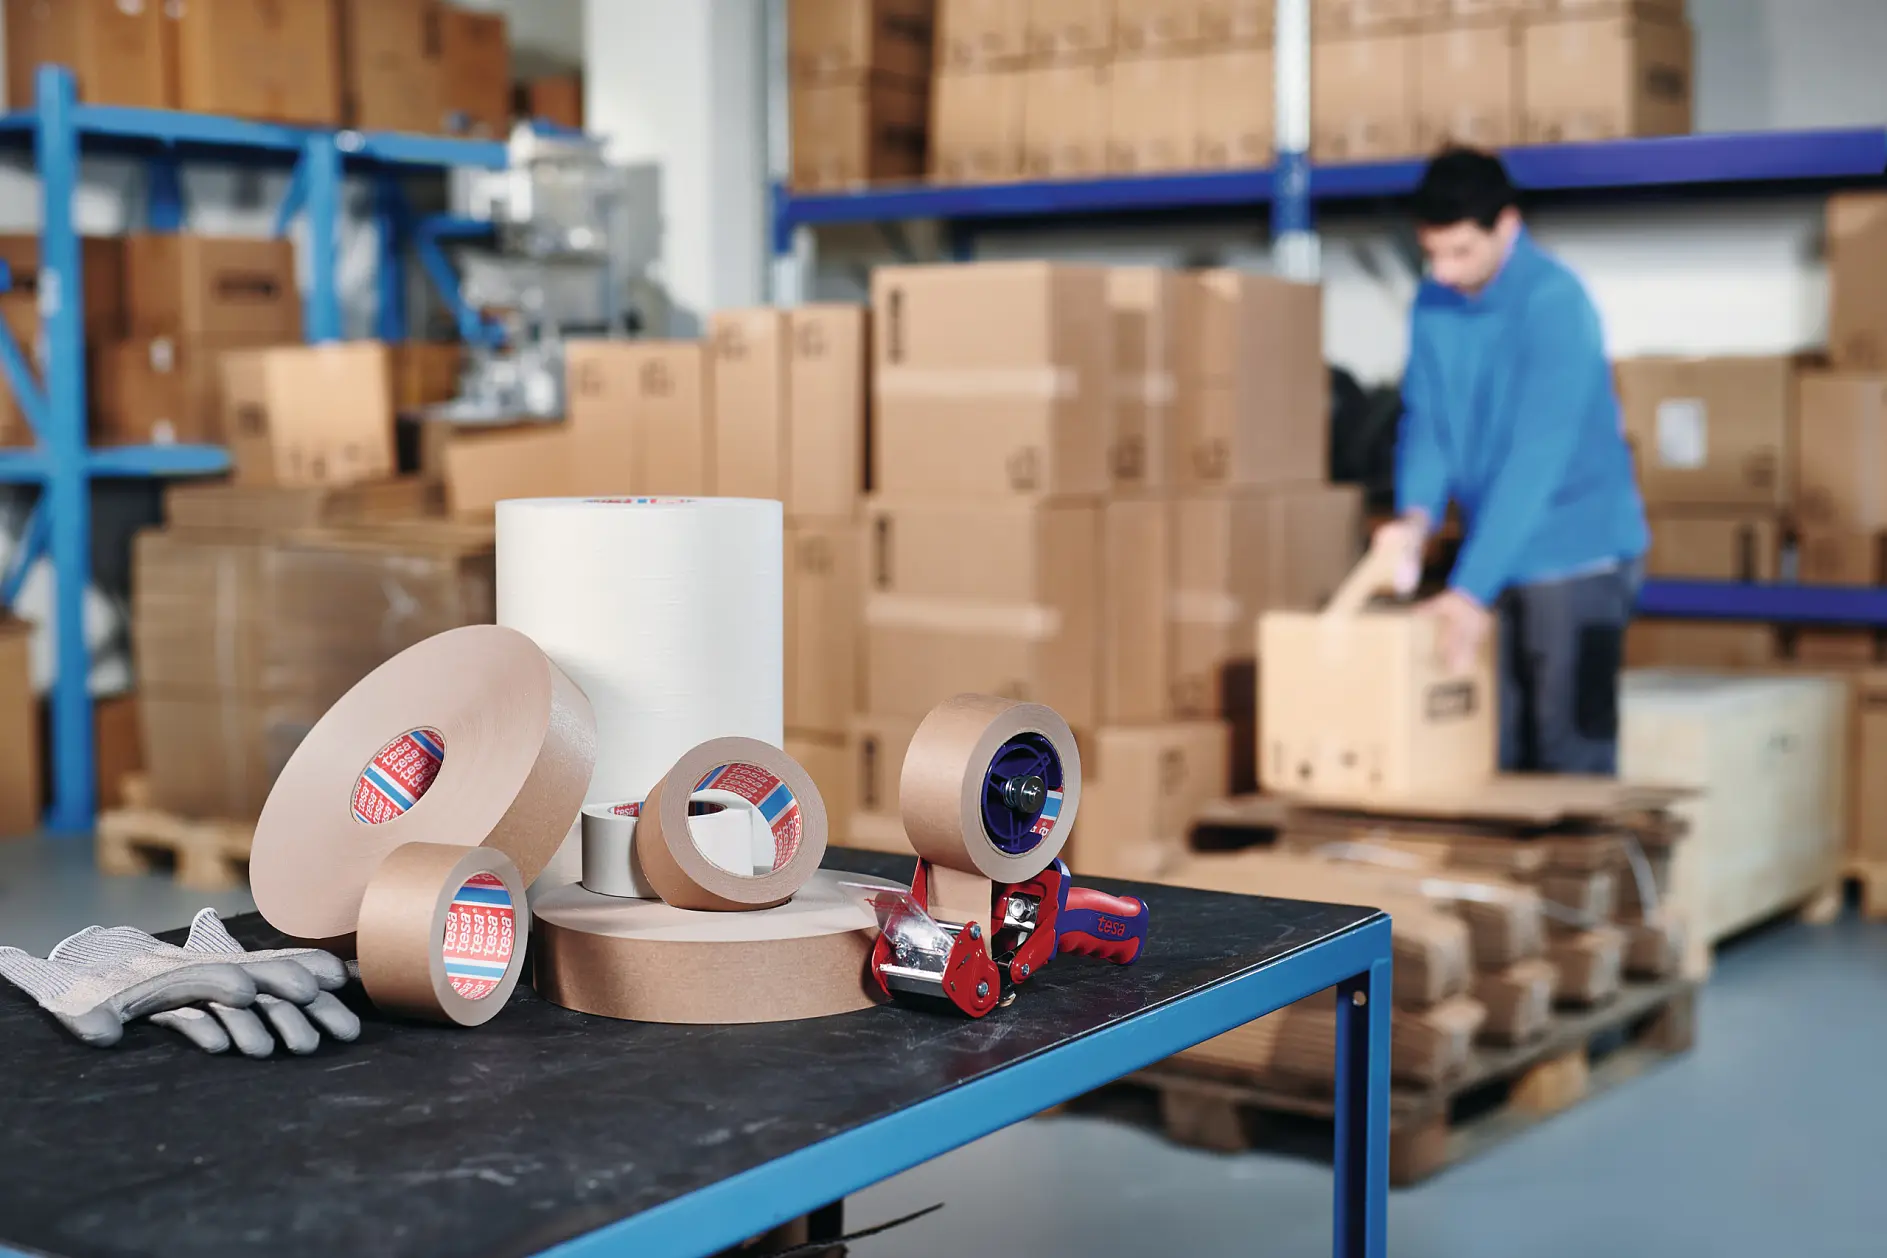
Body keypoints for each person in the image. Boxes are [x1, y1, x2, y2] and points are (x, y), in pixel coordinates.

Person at [1371, 146, 1648, 775]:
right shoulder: (1434, 302)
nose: (1442, 270)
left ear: (1508, 226)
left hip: (1580, 560)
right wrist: (1415, 516)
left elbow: (1536, 460)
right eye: (1431, 252)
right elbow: (1428, 425)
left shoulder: (1557, 304)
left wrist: (1469, 591)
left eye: (1460, 252)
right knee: (1494, 756)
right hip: (1495, 554)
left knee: (1569, 756)